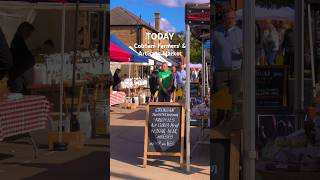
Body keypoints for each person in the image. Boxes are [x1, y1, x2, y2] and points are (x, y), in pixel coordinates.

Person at [212, 7, 242, 126]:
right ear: (223, 20)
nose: (230, 20)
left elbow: (247, 50)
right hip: (220, 71)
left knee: (233, 99)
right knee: (220, 98)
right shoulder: (216, 33)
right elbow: (212, 51)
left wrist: (243, 52)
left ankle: (229, 122)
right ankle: (220, 117)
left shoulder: (240, 33)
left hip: (235, 71)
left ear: (235, 19)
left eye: (232, 18)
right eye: (228, 18)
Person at [8, 22, 35, 93]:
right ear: (24, 30)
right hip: (17, 76)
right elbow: (22, 60)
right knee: (18, 96)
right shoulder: (17, 41)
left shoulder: (19, 40)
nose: (29, 36)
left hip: (18, 76)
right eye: (28, 33)